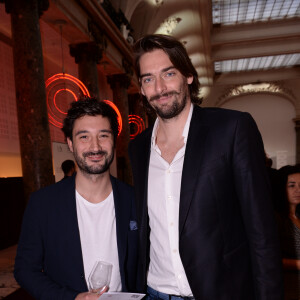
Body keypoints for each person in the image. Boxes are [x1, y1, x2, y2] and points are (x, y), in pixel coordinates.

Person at [129, 34, 283, 300]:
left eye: (169, 73)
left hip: (221, 291)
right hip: (154, 291)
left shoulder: (232, 129)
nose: (160, 88)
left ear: (188, 75)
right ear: (141, 88)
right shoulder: (138, 147)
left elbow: (262, 232)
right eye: (148, 78)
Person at [14, 97, 138, 299]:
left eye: (103, 135)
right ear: (70, 144)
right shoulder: (42, 204)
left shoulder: (134, 200)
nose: (95, 146)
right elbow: (25, 270)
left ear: (114, 140)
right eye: (84, 137)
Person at [276, 164, 300, 299]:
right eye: (292, 185)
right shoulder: (277, 218)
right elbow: (270, 258)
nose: (298, 190)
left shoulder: (298, 216)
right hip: (290, 286)